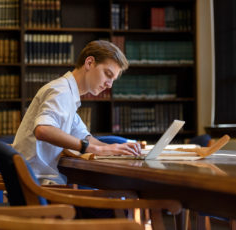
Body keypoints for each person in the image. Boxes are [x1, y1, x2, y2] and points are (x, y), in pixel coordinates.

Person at [12, 40, 141, 185]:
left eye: (113, 80)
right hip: (36, 188)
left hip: (39, 184)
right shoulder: (61, 92)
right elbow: (43, 130)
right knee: (113, 200)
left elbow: (85, 138)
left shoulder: (69, 95)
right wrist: (92, 148)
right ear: (89, 63)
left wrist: (114, 149)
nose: (109, 85)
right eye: (107, 74)